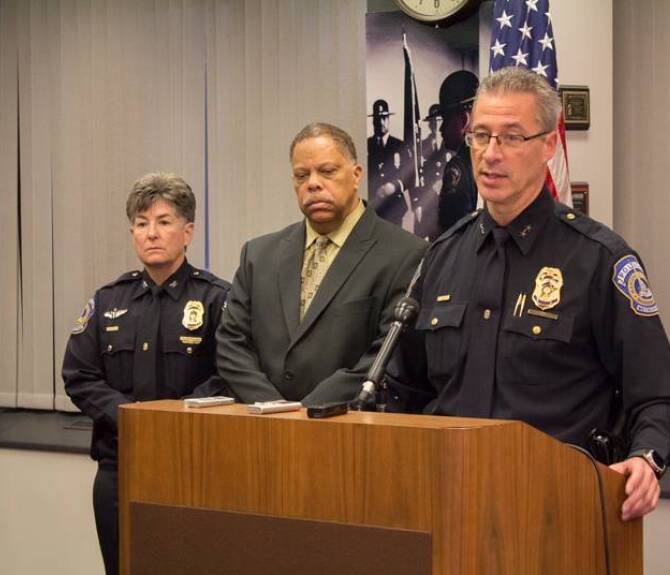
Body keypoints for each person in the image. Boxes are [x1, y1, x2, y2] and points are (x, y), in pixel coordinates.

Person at [386, 67, 670, 521]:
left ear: (549, 145)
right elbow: (404, 388)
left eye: (512, 137)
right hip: (447, 503)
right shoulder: (441, 257)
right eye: (480, 136)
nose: (491, 154)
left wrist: (646, 458)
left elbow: (658, 395)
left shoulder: (598, 259)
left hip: (557, 510)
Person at [62, 172, 230, 575]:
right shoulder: (108, 300)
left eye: (164, 221)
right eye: (141, 223)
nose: (151, 233)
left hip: (191, 464)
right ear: (132, 233)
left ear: (188, 232)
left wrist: (168, 420)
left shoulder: (216, 299)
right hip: (119, 468)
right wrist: (132, 418)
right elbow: (79, 375)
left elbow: (230, 375)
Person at [217, 122, 427, 405]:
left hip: (344, 423)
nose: (313, 183)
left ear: (356, 175)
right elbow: (231, 345)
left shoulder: (405, 254)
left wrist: (307, 415)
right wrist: (275, 411)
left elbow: (387, 355)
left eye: (327, 171)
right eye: (301, 175)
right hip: (263, 423)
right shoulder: (258, 255)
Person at [430, 70, 480, 235]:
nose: (441, 129)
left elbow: (450, 232)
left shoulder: (458, 166)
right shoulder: (487, 157)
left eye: (445, 119)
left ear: (464, 120)